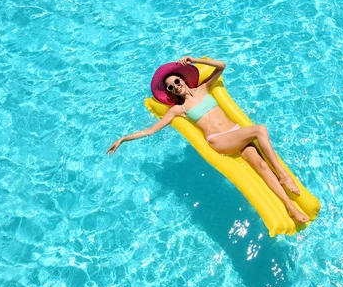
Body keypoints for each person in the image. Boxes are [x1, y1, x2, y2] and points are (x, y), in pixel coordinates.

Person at [107, 56, 309, 223]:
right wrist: (123, 139)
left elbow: (222, 66)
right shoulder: (180, 109)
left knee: (263, 168)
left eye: (177, 81)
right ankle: (283, 175)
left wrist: (193, 59)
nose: (175, 87)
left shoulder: (203, 88)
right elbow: (151, 130)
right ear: (169, 93)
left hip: (236, 132)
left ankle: (290, 208)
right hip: (220, 141)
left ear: (183, 80)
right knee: (260, 129)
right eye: (170, 88)